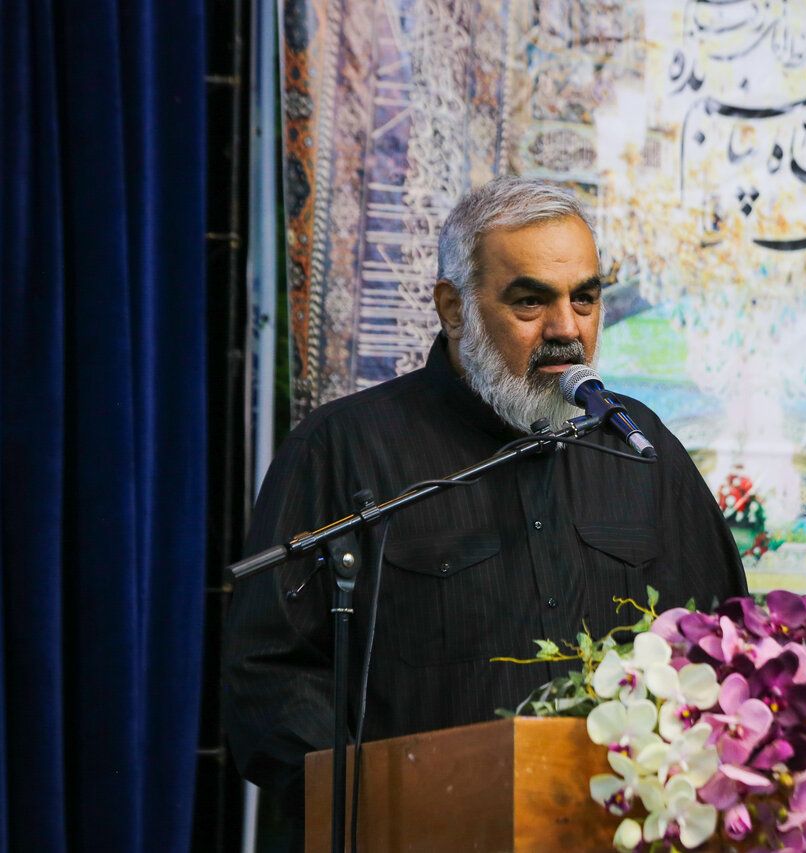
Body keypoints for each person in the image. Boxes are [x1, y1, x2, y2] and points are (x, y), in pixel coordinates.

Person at [222, 176, 749, 824]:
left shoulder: (637, 443)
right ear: (453, 308)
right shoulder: (345, 448)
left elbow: (723, 639)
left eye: (585, 299)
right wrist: (381, 805)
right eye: (531, 301)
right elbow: (268, 675)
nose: (567, 329)